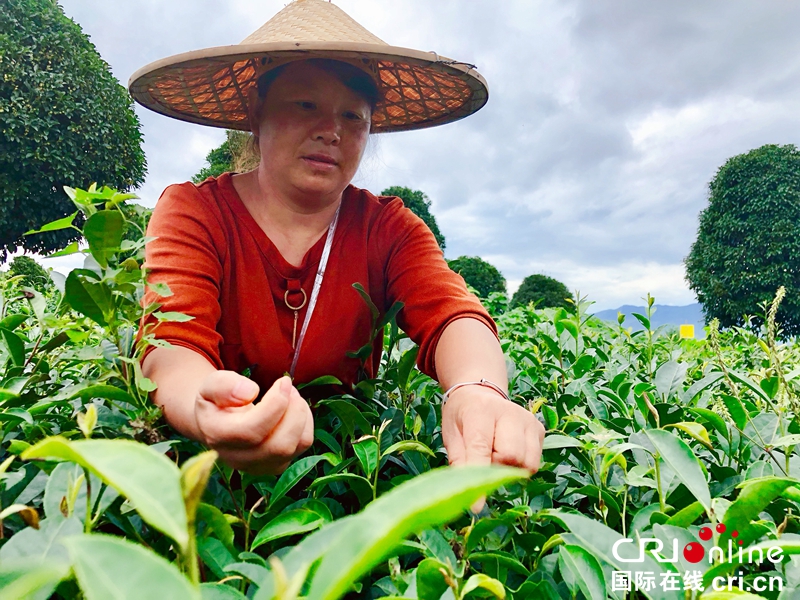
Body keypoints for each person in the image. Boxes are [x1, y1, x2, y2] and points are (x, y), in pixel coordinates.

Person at [130, 0, 544, 477]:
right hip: (206, 480)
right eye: (306, 105)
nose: (331, 131)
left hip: (344, 476)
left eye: (354, 117)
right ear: (257, 112)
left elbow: (451, 313)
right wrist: (202, 406)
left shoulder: (386, 227)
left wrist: (478, 389)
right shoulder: (197, 211)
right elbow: (172, 344)